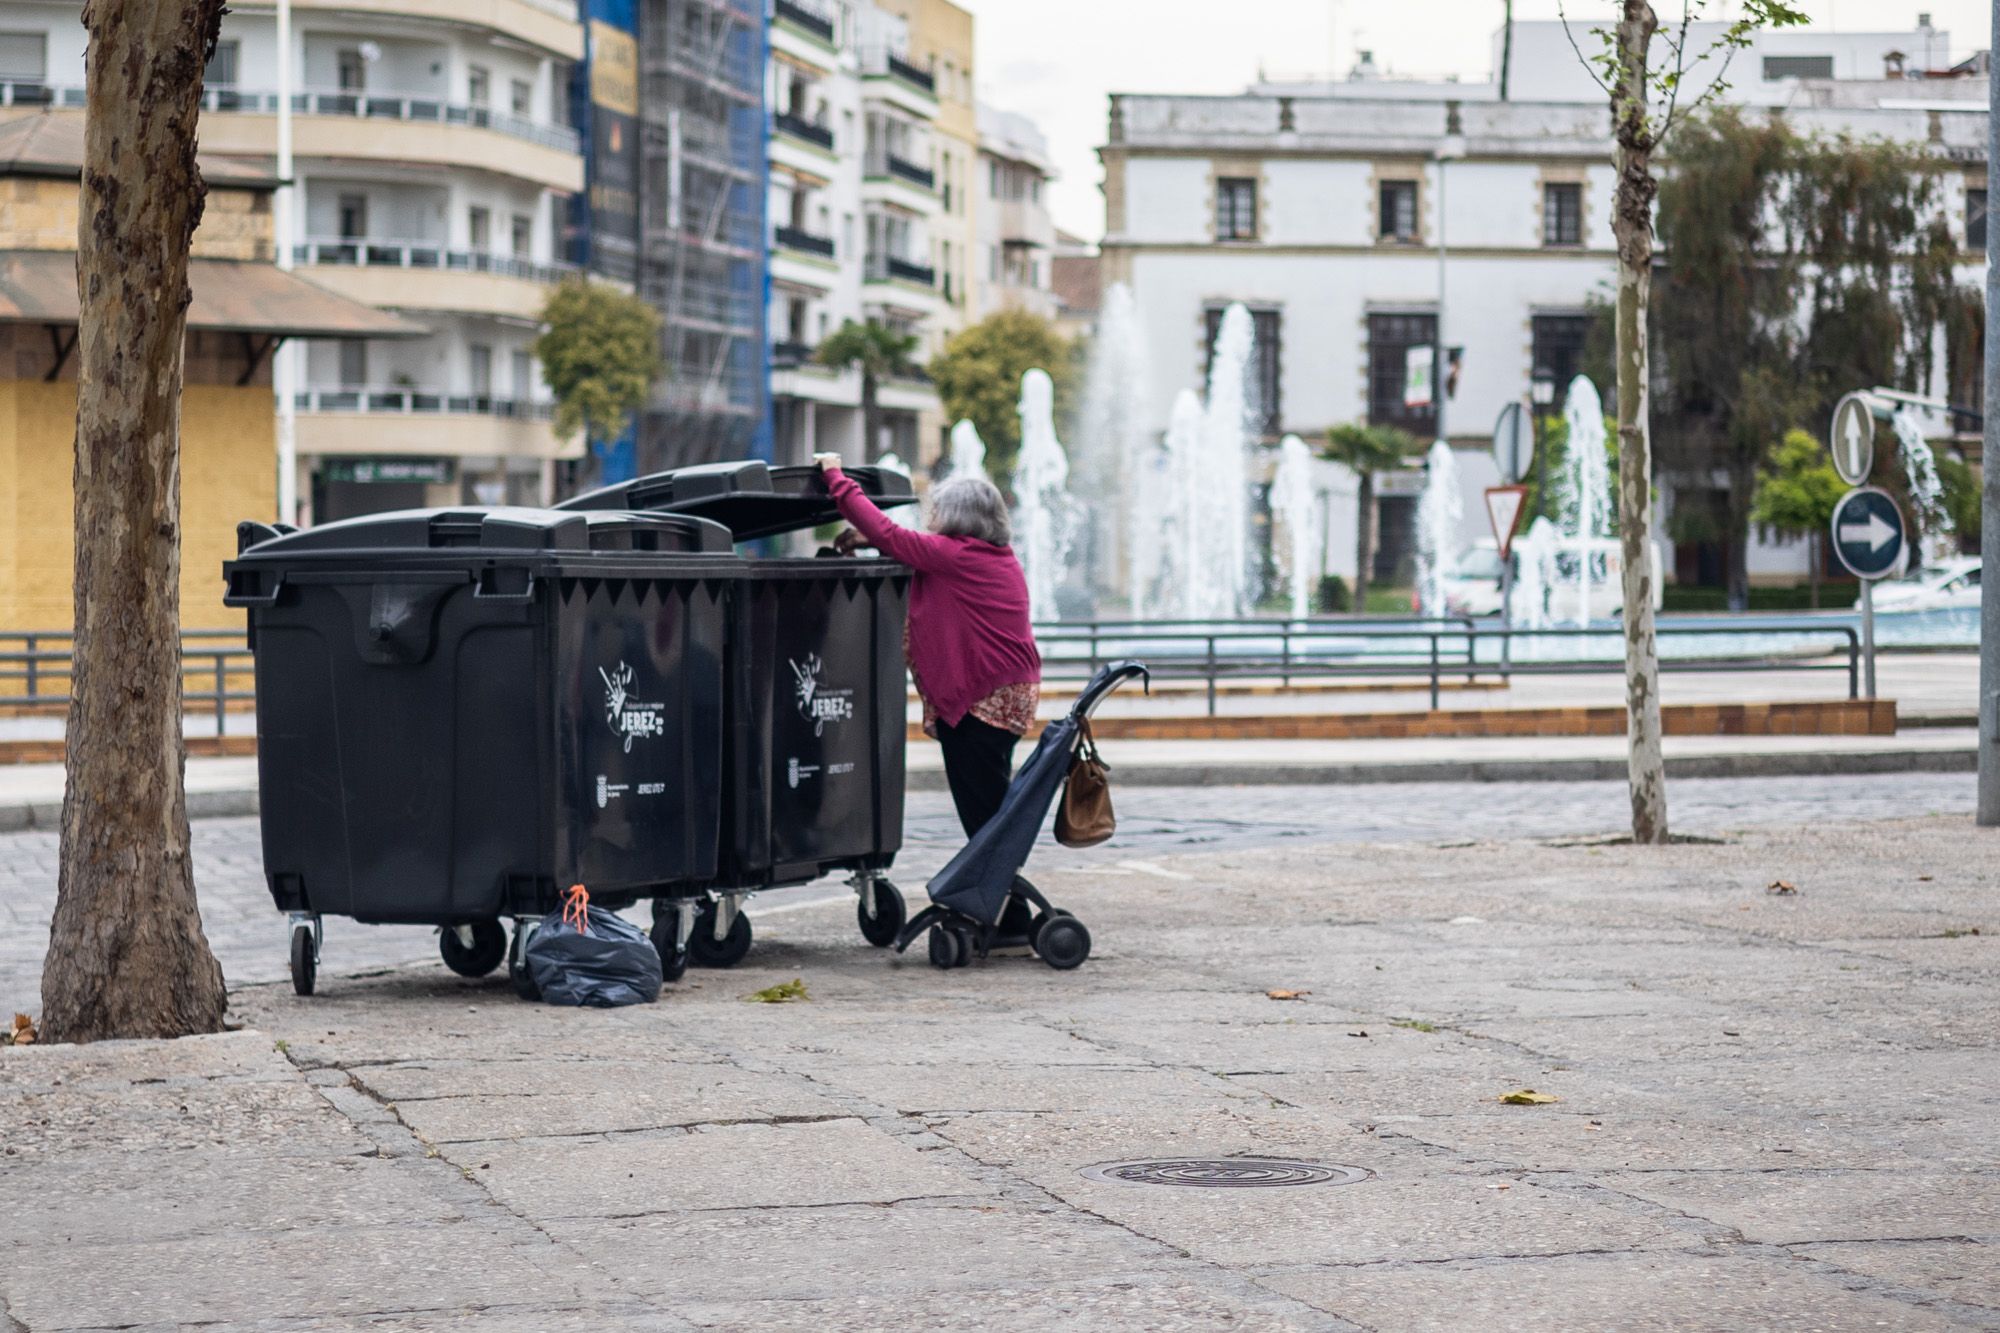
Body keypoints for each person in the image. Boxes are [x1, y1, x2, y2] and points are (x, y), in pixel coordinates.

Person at [814, 452, 1040, 847]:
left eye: (937, 510)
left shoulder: (956, 555)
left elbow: (889, 534)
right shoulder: (986, 556)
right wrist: (871, 541)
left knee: (983, 816)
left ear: (958, 518)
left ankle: (1006, 903)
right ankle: (1001, 898)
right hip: (1004, 694)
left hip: (982, 702)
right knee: (988, 807)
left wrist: (835, 475)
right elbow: (901, 546)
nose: (930, 517)